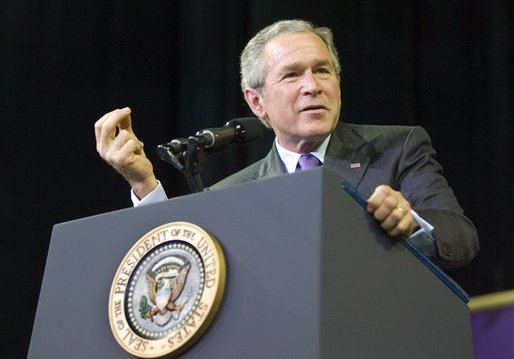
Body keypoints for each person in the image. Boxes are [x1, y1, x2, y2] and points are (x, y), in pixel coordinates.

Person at [95, 19, 478, 269]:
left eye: (322, 70)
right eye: (292, 75)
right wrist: (144, 184)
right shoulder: (231, 193)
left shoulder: (398, 146)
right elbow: (188, 268)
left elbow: (461, 238)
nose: (312, 86)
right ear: (256, 101)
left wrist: (412, 223)